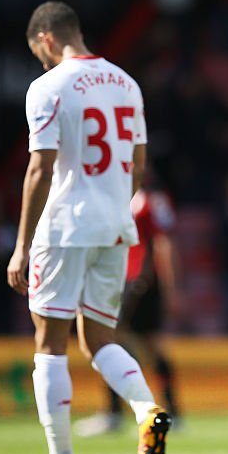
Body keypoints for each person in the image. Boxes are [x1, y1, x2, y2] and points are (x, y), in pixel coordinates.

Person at [6, 1, 170, 454]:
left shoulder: (47, 87)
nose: (41, 60)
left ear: (48, 40)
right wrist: (111, 204)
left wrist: (21, 245)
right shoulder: (126, 83)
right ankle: (146, 409)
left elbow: (39, 168)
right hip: (115, 225)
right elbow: (138, 166)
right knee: (98, 337)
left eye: (40, 52)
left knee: (49, 341)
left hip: (63, 226)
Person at [75, 182, 182, 437]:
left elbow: (163, 243)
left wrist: (170, 288)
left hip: (142, 283)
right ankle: (132, 410)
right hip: (121, 280)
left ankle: (121, 412)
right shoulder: (117, 197)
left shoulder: (151, 200)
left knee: (116, 343)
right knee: (118, 343)